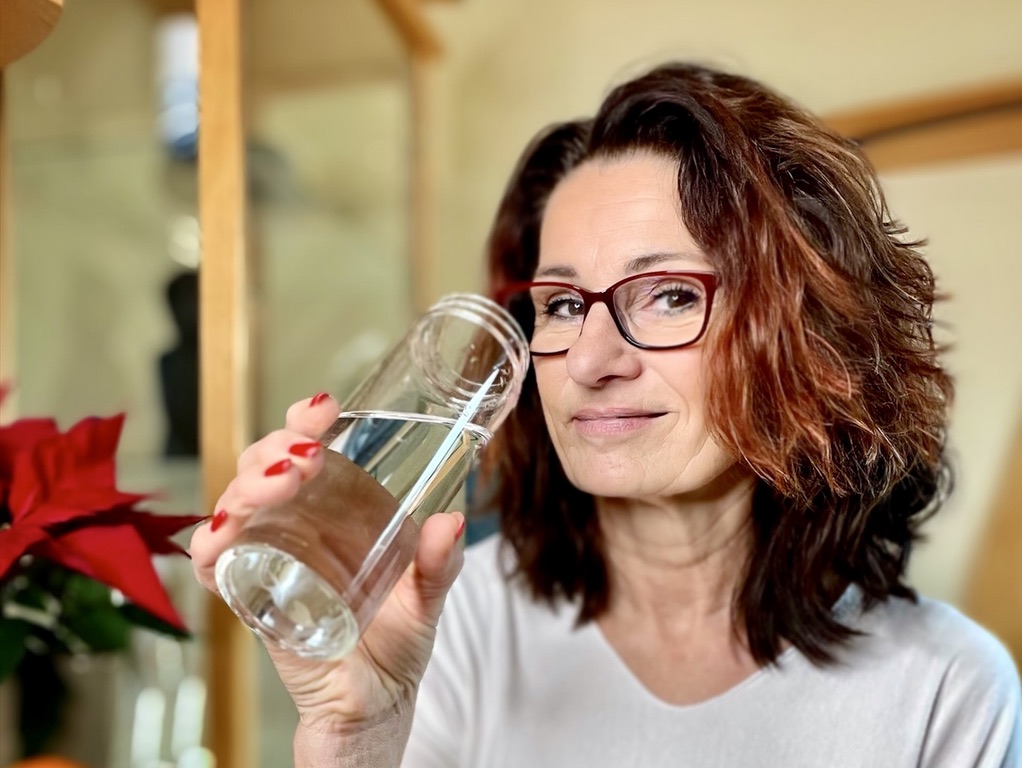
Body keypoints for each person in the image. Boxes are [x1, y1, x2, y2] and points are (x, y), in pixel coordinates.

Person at [189, 62, 1021, 767]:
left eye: (667, 295)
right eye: (558, 305)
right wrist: (354, 738)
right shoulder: (448, 621)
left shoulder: (944, 690)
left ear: (803, 331)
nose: (590, 361)